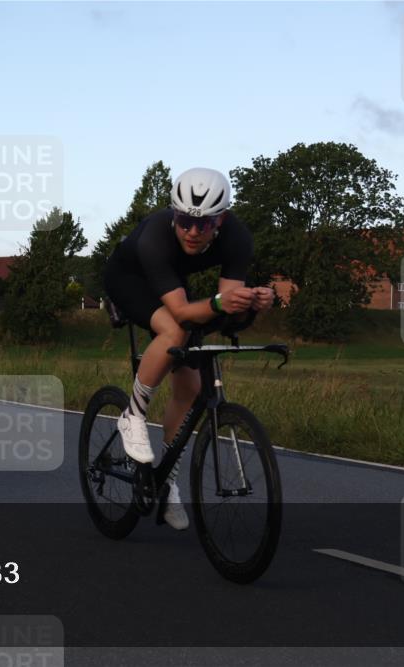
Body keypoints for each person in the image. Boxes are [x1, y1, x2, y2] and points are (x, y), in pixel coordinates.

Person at [103, 168, 275, 529]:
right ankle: (132, 415)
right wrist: (220, 304)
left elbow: (225, 307)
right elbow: (183, 311)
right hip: (129, 278)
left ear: (221, 220)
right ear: (174, 215)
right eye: (184, 221)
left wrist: (250, 304)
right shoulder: (155, 236)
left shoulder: (238, 239)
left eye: (205, 224)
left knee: (191, 388)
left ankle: (166, 483)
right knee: (172, 328)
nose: (193, 232)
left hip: (171, 283)